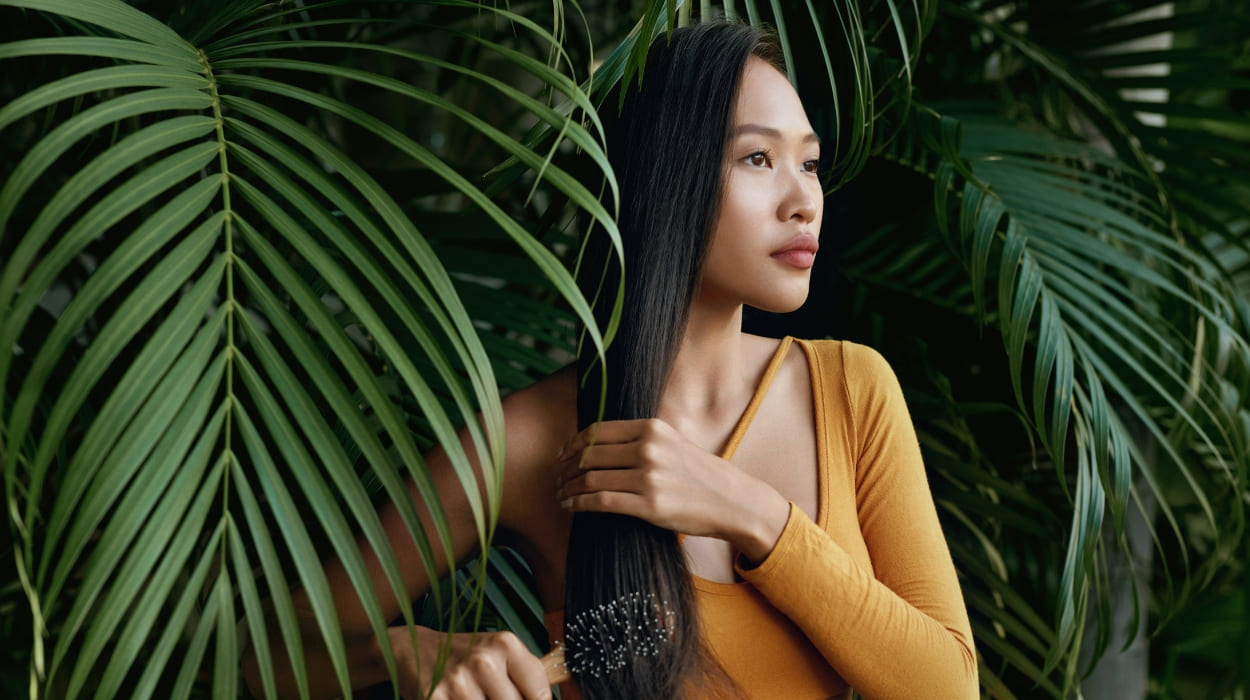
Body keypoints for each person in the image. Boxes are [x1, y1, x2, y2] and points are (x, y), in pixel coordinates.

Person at [244, 20, 977, 700]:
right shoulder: (533, 441)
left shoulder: (852, 390)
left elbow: (949, 686)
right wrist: (407, 650)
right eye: (759, 158)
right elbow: (260, 656)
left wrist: (753, 516)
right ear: (669, 176)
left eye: (809, 163)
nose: (804, 200)